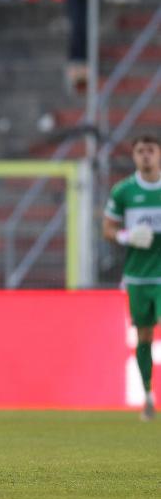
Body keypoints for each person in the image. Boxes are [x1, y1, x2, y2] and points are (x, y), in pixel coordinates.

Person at [103, 134, 161, 421]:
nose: (146, 156)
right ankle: (148, 395)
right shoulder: (124, 191)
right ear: (134, 156)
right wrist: (126, 235)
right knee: (144, 335)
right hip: (138, 276)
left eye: (151, 150)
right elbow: (108, 227)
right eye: (140, 151)